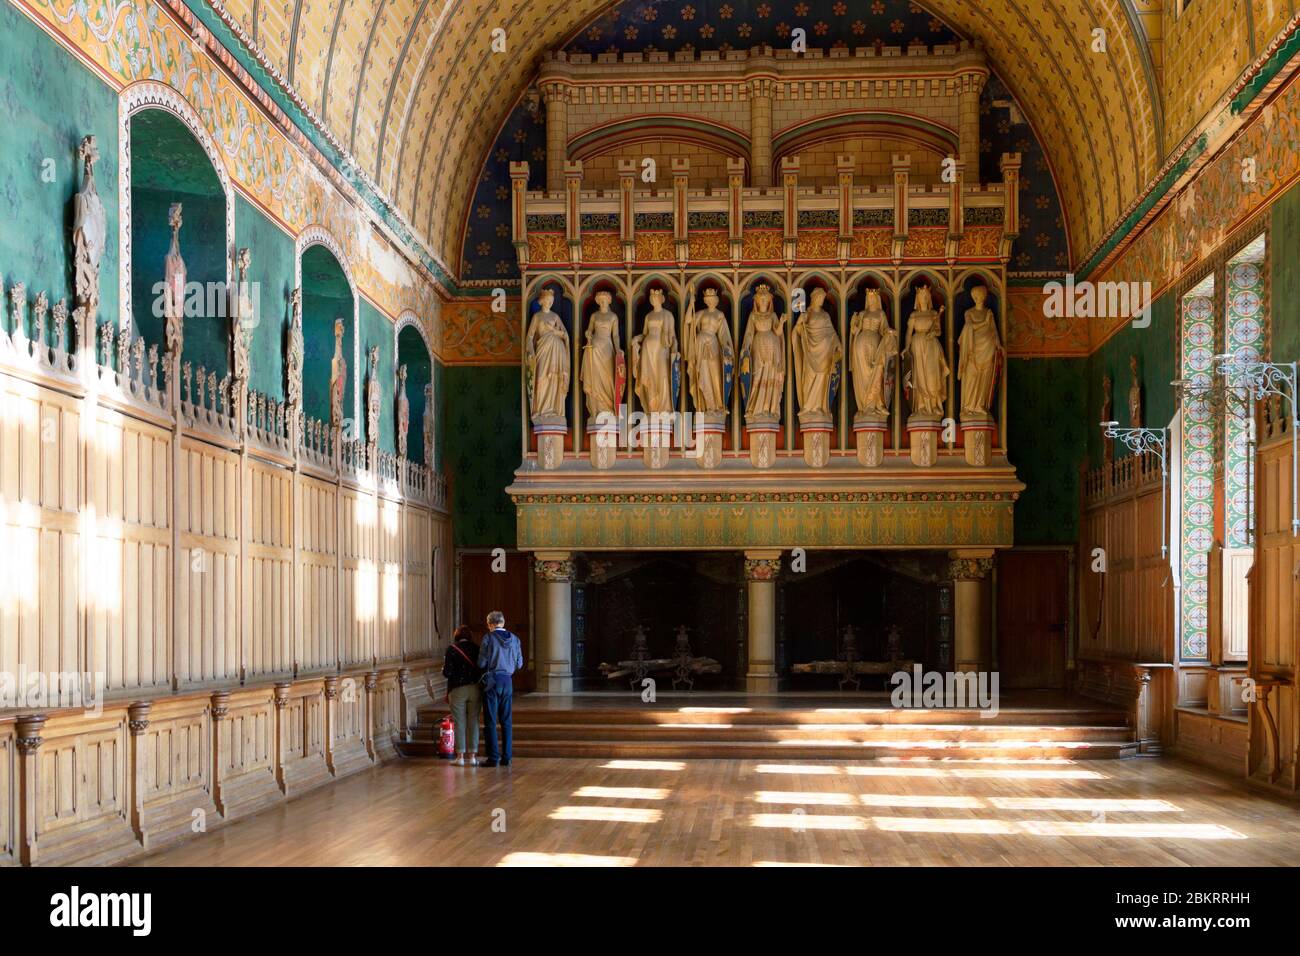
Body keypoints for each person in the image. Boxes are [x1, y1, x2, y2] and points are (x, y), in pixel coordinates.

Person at [477, 610, 524, 767]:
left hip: (492, 681)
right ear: (502, 623)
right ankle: (507, 757)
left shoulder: (488, 638)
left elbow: (481, 663)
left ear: (490, 624)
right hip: (508, 682)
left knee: (490, 721)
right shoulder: (515, 639)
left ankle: (493, 758)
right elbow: (519, 664)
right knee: (506, 721)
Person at [442, 625, 483, 766]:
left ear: (457, 636)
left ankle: (460, 756)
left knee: (459, 722)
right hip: (475, 688)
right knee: (473, 721)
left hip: (458, 689)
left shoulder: (452, 649)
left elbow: (447, 672)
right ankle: (472, 756)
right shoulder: (477, 648)